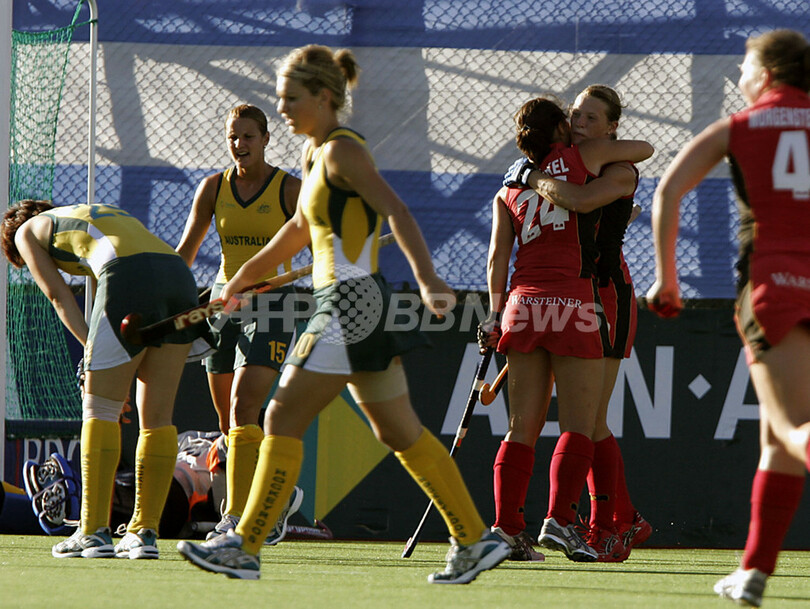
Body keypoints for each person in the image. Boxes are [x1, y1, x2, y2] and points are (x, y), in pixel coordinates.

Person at [176, 44, 510, 584]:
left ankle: (245, 543)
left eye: (291, 98)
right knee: (399, 431)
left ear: (323, 96)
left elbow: (396, 210)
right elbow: (297, 231)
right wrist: (238, 280)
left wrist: (428, 279)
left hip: (349, 303)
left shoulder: (341, 151)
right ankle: (474, 538)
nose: (281, 108)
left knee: (280, 418)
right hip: (355, 303)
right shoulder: (313, 154)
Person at [646, 29, 810, 607]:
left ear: (765, 74)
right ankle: (753, 572)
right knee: (777, 438)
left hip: (775, 284)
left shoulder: (739, 127)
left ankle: (753, 572)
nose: (739, 76)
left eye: (744, 66)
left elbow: (668, 192)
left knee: (791, 428)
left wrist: (667, 278)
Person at [480, 95, 653, 563]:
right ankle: (564, 520)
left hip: (522, 305)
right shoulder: (584, 158)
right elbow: (585, 194)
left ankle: (508, 529)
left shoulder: (509, 186)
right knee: (583, 424)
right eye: (573, 115)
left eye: (589, 116)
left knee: (521, 428)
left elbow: (496, 258)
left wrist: (494, 315)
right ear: (560, 127)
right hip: (579, 301)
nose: (579, 122)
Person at [1, 200, 204, 559]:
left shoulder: (25, 233)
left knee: (99, 409)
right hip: (178, 275)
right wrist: (108, 364)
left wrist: (91, 358)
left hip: (126, 274)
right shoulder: (86, 213)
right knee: (158, 417)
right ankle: (144, 534)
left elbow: (58, 296)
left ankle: (92, 532)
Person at [175, 104, 304, 541]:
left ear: (266, 139)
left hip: (272, 303)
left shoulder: (289, 189)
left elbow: (320, 240)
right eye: (233, 136)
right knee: (229, 425)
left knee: (244, 407)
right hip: (222, 305)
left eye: (248, 136)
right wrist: (164, 290)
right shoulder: (213, 188)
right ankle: (275, 498)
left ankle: (235, 518)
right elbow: (186, 252)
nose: (239, 144)